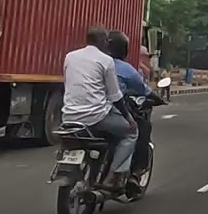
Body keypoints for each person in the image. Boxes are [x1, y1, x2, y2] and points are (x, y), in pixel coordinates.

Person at [62, 26, 138, 190]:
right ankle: (112, 176)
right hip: (95, 118)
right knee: (131, 133)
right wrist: (129, 118)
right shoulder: (106, 60)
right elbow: (115, 95)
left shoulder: (70, 57)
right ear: (103, 41)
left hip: (68, 117)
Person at [106, 30, 154, 176]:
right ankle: (116, 175)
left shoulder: (91, 63)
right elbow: (142, 89)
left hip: (73, 115)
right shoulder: (123, 68)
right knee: (133, 131)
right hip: (104, 113)